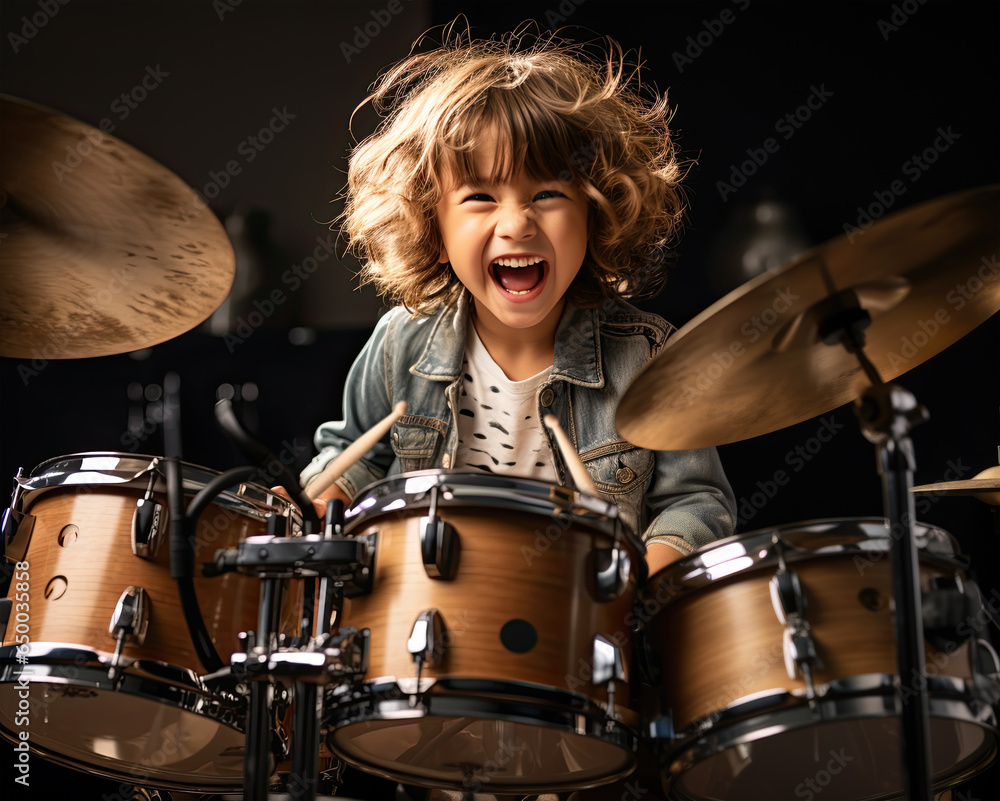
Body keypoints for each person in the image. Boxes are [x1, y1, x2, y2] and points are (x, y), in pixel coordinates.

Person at [299, 24, 736, 575]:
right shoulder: (399, 343)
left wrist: (638, 585)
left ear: (595, 216)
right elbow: (354, 456)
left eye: (548, 194)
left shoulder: (648, 357)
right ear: (432, 230)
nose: (517, 223)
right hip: (431, 617)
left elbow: (696, 504)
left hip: (587, 630)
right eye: (480, 197)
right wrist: (328, 492)